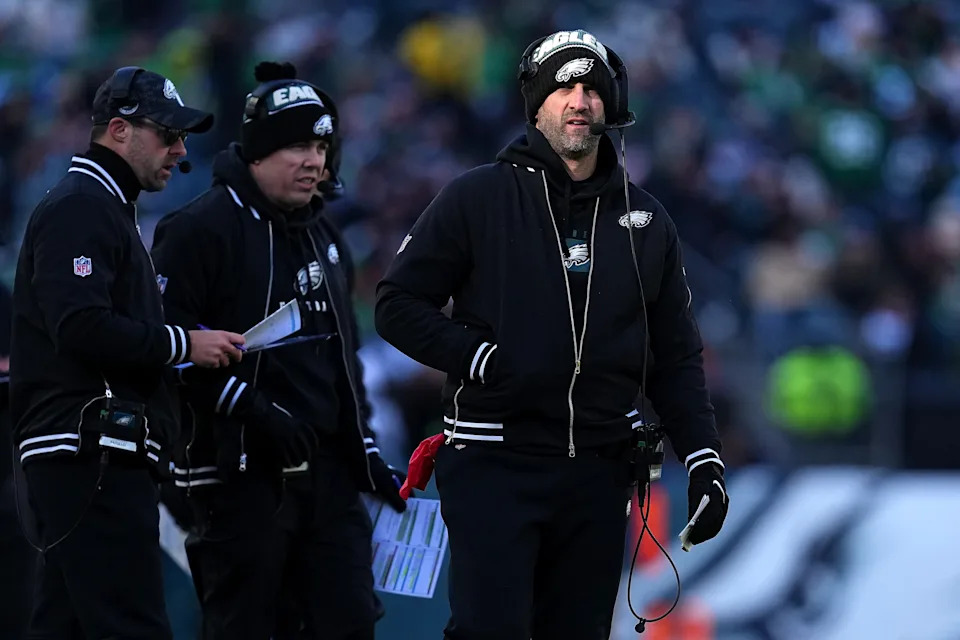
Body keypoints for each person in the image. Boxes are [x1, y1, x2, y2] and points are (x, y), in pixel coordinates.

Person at [375, 29, 730, 639]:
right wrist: (480, 358)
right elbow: (396, 304)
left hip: (599, 468)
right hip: (493, 458)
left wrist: (702, 455)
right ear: (536, 103)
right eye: (563, 86)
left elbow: (675, 355)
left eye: (593, 88)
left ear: (611, 105)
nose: (579, 100)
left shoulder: (647, 220)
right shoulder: (477, 196)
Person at [151, 61, 406, 640]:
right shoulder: (197, 230)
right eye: (296, 146)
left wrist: (364, 447)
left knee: (350, 624)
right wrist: (253, 408)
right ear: (257, 153)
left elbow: (345, 361)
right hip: (236, 477)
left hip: (329, 479)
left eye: (320, 147)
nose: (314, 161)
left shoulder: (325, 233)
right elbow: (163, 351)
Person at [9, 66, 243, 639]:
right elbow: (81, 325)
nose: (181, 151)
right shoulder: (81, 205)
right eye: (168, 135)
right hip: (92, 448)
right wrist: (184, 343)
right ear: (119, 130)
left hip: (84, 452)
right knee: (132, 627)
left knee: (63, 627)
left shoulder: (105, 207)